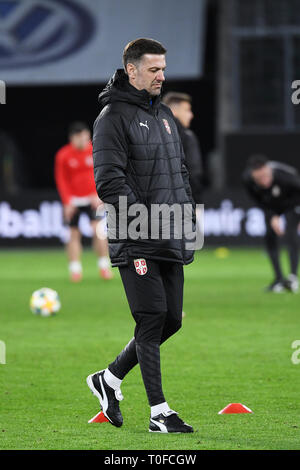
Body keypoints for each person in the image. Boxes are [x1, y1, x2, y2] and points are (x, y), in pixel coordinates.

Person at [86, 38, 195, 433]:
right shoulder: (111, 117)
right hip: (136, 236)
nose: (161, 76)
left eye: (163, 69)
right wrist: (144, 221)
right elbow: (108, 180)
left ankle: (109, 379)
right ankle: (159, 413)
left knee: (172, 320)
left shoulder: (165, 115)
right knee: (151, 318)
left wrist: (185, 221)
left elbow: (178, 174)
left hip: (170, 233)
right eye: (153, 69)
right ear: (131, 70)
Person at [54, 122, 113, 282]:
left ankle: (104, 267)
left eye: (86, 136)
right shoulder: (63, 155)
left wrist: (97, 194)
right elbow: (62, 180)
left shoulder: (95, 150)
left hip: (93, 199)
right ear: (72, 138)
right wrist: (67, 202)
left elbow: (103, 174)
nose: (84, 140)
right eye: (80, 137)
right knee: (73, 234)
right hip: (73, 201)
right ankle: (75, 270)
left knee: (98, 231)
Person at [243, 155, 300, 293]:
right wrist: (272, 216)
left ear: (269, 170)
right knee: (270, 235)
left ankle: (292, 277)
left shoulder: (286, 177)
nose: (264, 181)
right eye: (260, 178)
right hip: (271, 205)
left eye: (266, 176)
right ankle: (279, 279)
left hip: (292, 202)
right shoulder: (247, 180)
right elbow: (259, 202)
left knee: (291, 233)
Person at [162, 92, 203, 205]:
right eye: (187, 110)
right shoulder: (187, 136)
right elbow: (194, 173)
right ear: (174, 111)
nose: (191, 115)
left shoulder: (149, 132)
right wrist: (197, 203)